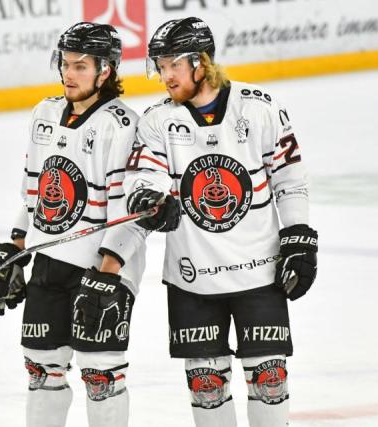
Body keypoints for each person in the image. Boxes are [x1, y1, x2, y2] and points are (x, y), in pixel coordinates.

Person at [124, 17, 319, 427]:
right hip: (192, 279)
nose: (164, 76)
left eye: (172, 65)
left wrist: (299, 235)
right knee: (206, 387)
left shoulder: (258, 107)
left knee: (269, 381)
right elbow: (146, 174)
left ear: (200, 62)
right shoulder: (158, 120)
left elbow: (289, 176)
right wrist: (150, 198)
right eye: (159, 67)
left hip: (260, 275)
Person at [0, 22, 170, 427]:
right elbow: (34, 195)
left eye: (80, 66)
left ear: (105, 70)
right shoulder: (44, 114)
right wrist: (15, 249)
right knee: (41, 368)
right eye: (65, 64)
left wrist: (107, 273)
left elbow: (131, 214)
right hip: (49, 261)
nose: (69, 74)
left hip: (101, 269)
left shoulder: (122, 124)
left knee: (100, 373)